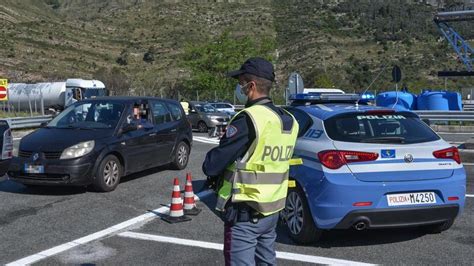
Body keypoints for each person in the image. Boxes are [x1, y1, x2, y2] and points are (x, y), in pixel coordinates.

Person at [202, 57, 300, 265]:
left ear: (251, 85)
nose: (239, 87)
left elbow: (213, 165)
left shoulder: (249, 118)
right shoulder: (288, 119)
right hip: (272, 210)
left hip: (245, 213)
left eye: (241, 82)